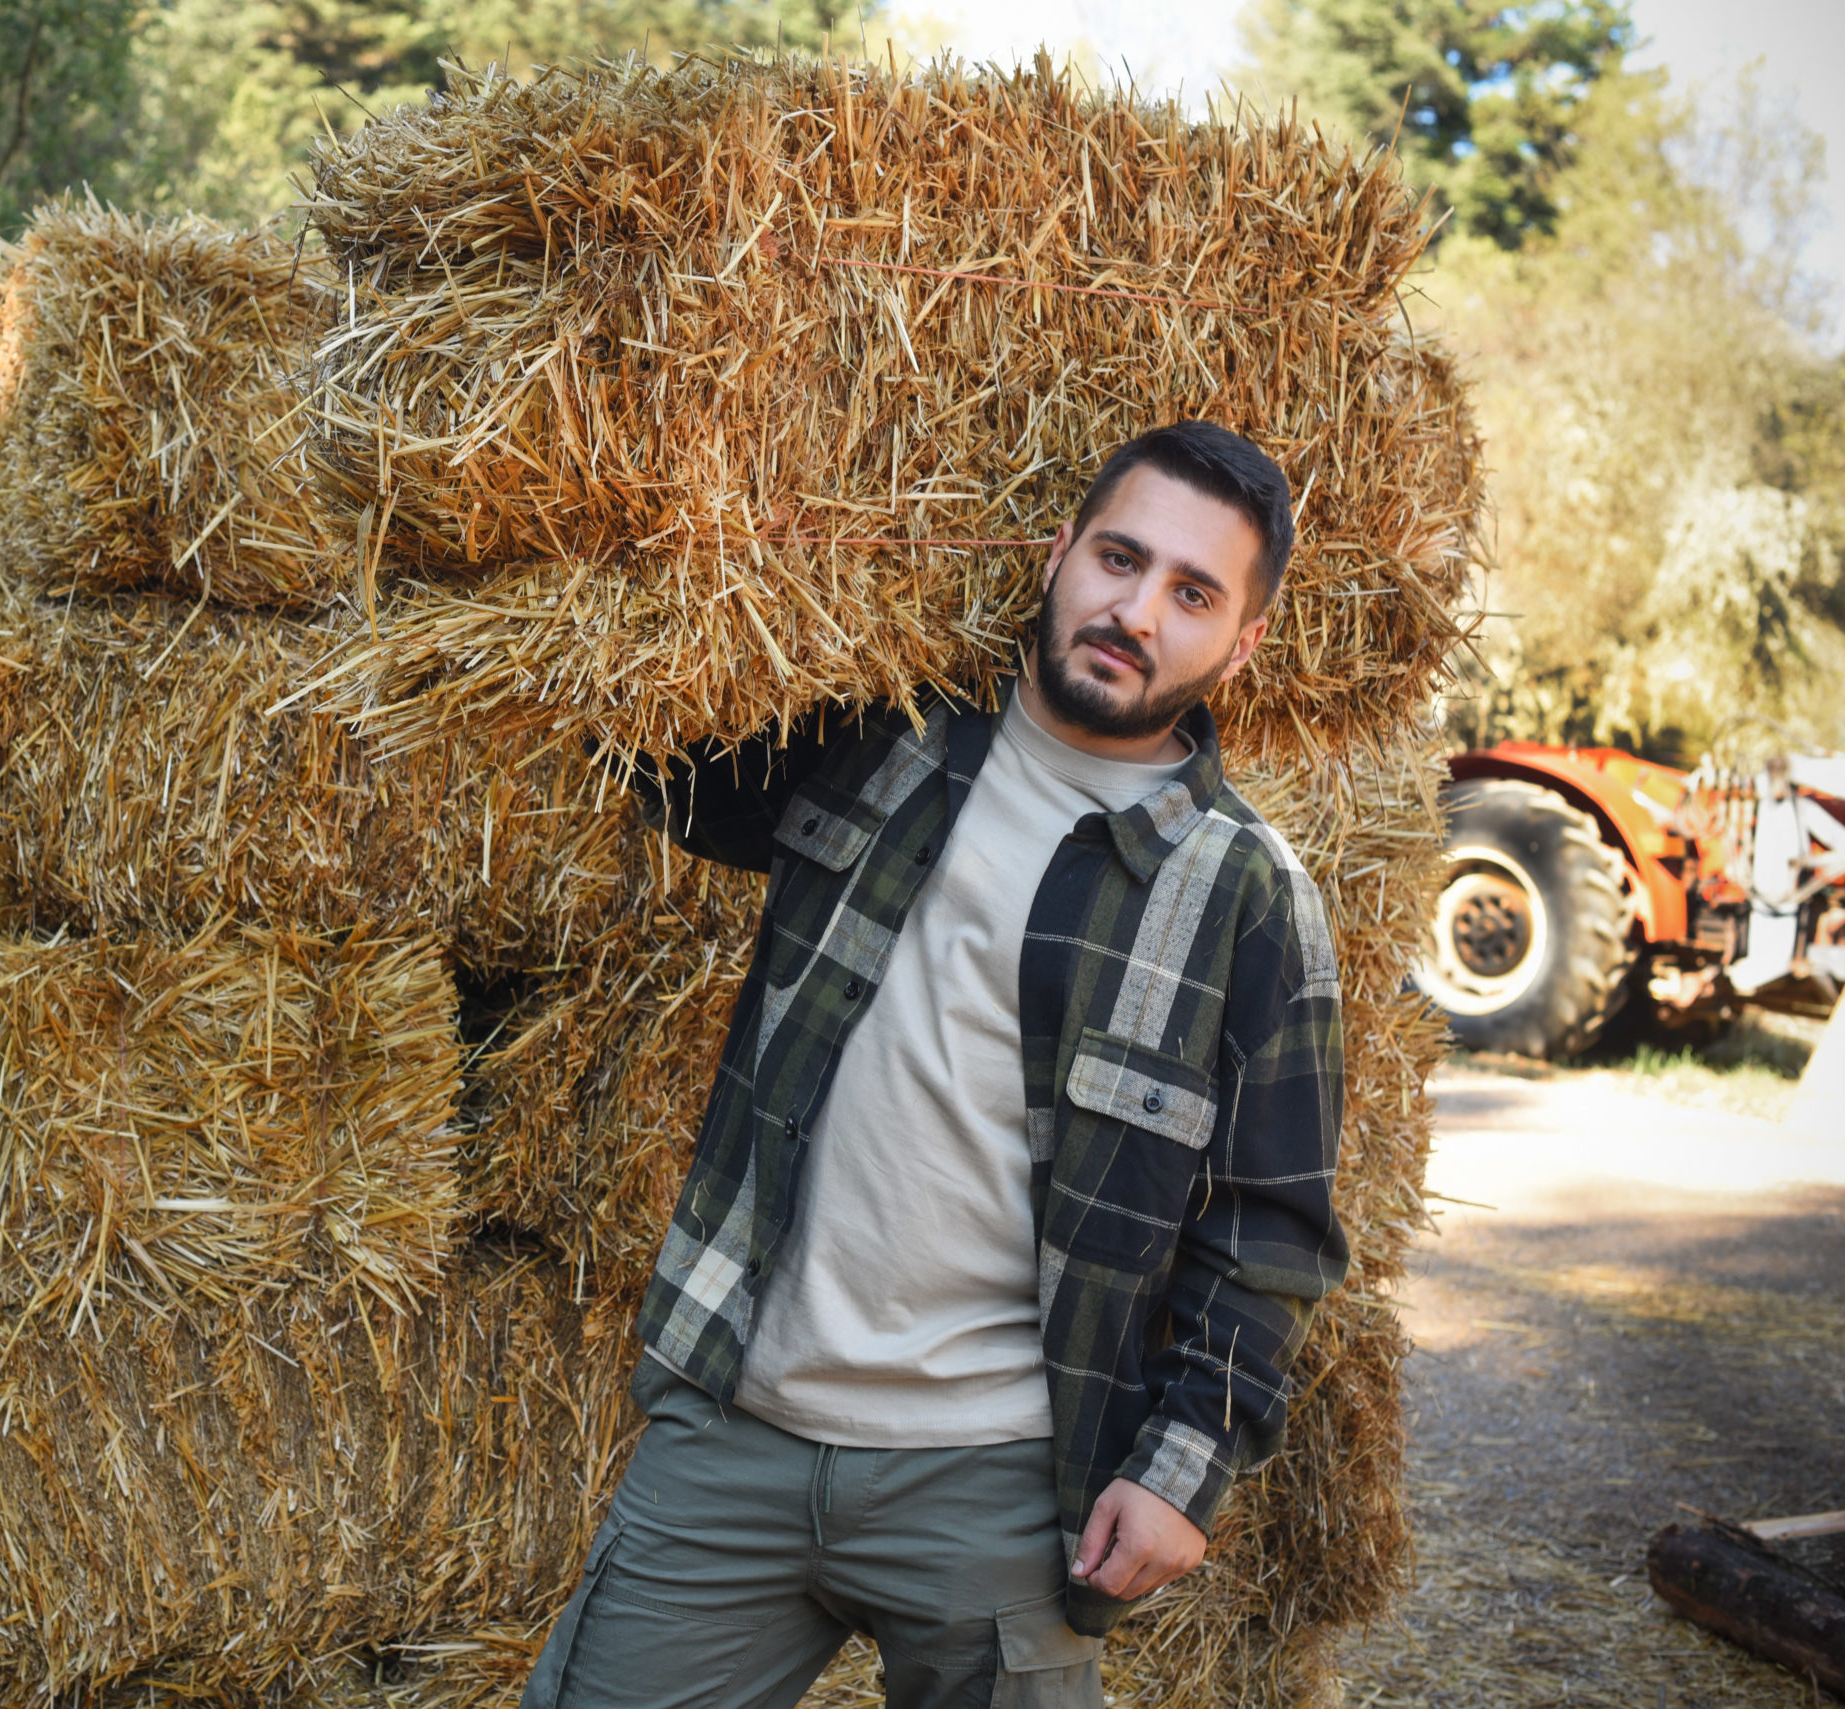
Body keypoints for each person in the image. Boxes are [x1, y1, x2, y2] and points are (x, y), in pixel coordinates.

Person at [523, 421, 1348, 1709]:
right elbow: (645, 714)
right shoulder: (878, 738)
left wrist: (1183, 1466)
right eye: (1118, 557)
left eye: (1192, 593)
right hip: (735, 1423)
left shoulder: (1247, 894)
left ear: (1241, 645)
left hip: (1001, 1484)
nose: (1134, 611)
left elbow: (1276, 1231)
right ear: (1057, 549)